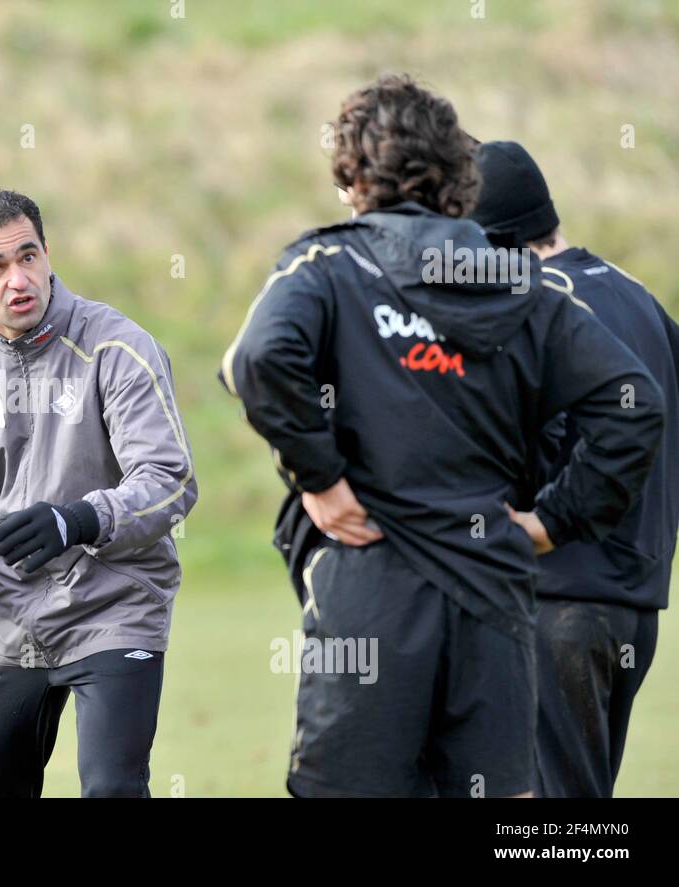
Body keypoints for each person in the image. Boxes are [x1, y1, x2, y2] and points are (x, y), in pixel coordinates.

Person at [218, 75, 663, 797]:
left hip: (368, 588)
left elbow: (258, 360)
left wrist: (321, 480)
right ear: (459, 174)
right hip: (495, 591)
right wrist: (556, 520)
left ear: (352, 173)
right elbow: (635, 402)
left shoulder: (329, 264)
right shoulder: (529, 285)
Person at [0, 188, 196, 797]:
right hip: (6, 622)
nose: (18, 279)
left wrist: (79, 519)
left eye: (28, 257)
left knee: (113, 788)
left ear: (46, 254)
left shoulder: (117, 348)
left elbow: (169, 482)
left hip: (113, 607)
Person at [470, 140, 679, 797]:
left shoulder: (528, 306)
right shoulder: (638, 296)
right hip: (634, 608)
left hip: (553, 599)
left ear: (491, 239)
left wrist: (542, 523)